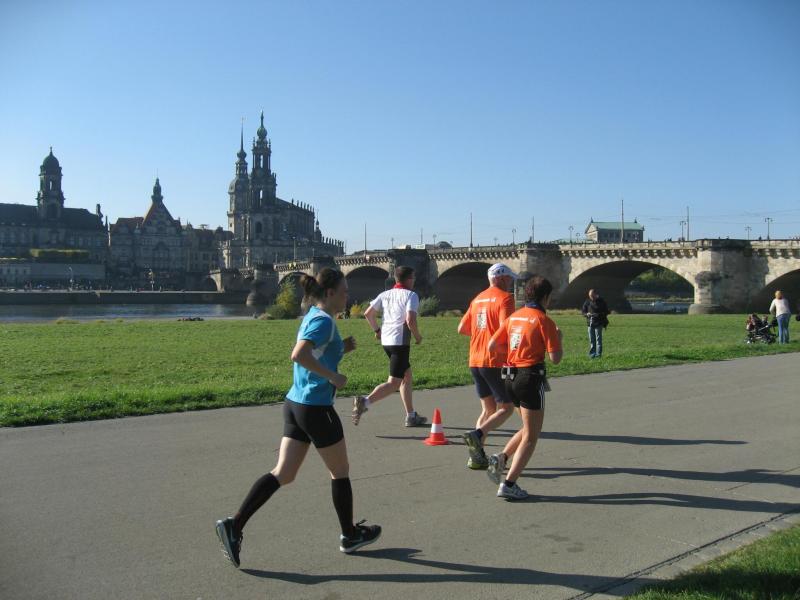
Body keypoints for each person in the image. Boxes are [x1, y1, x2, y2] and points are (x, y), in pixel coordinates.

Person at [215, 268, 381, 568]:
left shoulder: (313, 316)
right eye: (344, 292)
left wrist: (341, 348)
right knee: (340, 471)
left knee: (284, 473)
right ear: (329, 293)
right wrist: (333, 377)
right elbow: (299, 354)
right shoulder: (324, 321)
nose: (348, 296)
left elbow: (314, 353)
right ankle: (349, 535)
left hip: (296, 404)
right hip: (316, 408)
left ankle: (234, 525)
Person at [485, 276, 563, 500]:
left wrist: (513, 355)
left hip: (510, 376)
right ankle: (509, 484)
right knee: (531, 435)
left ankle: (502, 458)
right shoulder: (544, 320)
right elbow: (555, 358)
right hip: (530, 377)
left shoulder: (514, 317)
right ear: (546, 297)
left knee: (528, 426)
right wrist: (559, 338)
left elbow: (492, 345)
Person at [458, 263, 518, 470]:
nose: (510, 282)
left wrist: (481, 333)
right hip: (494, 360)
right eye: (509, 278)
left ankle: (476, 456)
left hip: (475, 359)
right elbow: (505, 329)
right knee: (507, 408)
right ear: (500, 278)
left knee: (488, 409)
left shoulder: (477, 299)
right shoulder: (505, 298)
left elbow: (462, 328)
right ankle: (477, 434)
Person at [352, 266, 427, 427]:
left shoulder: (385, 294)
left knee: (406, 376)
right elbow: (410, 320)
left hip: (386, 340)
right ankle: (364, 402)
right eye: (413, 277)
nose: (414, 281)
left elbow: (368, 314)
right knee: (394, 382)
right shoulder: (411, 295)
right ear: (408, 279)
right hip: (400, 342)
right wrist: (418, 336)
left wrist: (377, 330)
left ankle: (411, 415)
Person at [581, 289, 609, 358]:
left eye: (592, 296)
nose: (591, 297)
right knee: (592, 340)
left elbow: (607, 311)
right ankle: (592, 354)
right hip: (590, 323)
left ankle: (598, 355)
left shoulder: (601, 301)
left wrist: (598, 314)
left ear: (596, 294)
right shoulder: (587, 302)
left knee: (598, 340)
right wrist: (587, 314)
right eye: (590, 296)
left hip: (599, 323)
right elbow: (583, 312)